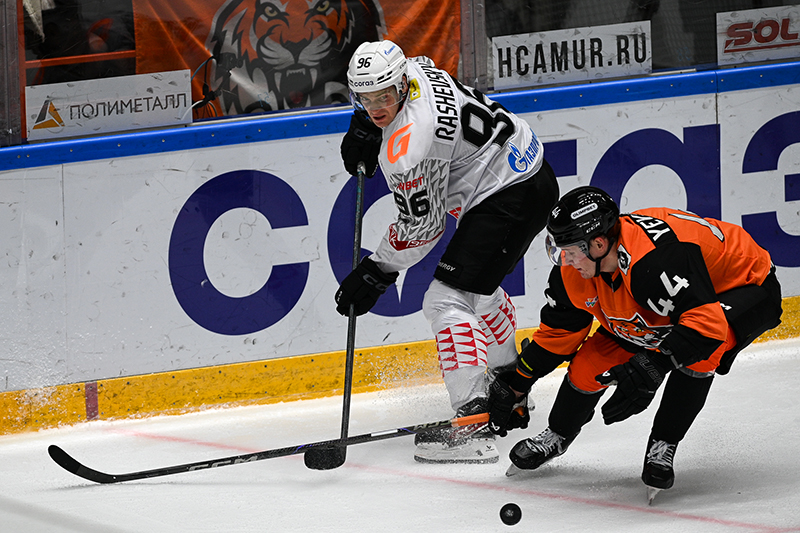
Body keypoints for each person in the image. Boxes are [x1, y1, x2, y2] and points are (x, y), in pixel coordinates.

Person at [335, 40, 559, 464]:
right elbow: (415, 74)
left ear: (401, 84)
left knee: (445, 299)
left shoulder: (407, 147)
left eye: (384, 97)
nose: (377, 106)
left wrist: (377, 270)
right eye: (364, 98)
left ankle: (473, 423)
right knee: (478, 291)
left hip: (506, 194)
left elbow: (423, 228)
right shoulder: (416, 68)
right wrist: (365, 122)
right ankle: (510, 389)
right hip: (529, 169)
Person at [487, 186, 782, 500]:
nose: (565, 260)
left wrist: (655, 365)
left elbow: (706, 326)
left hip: (742, 286)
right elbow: (560, 333)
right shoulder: (578, 270)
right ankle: (558, 434)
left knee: (701, 353)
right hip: (672, 298)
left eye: (570, 251)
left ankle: (664, 443)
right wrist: (518, 384)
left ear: (598, 244)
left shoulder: (654, 262)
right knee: (590, 365)